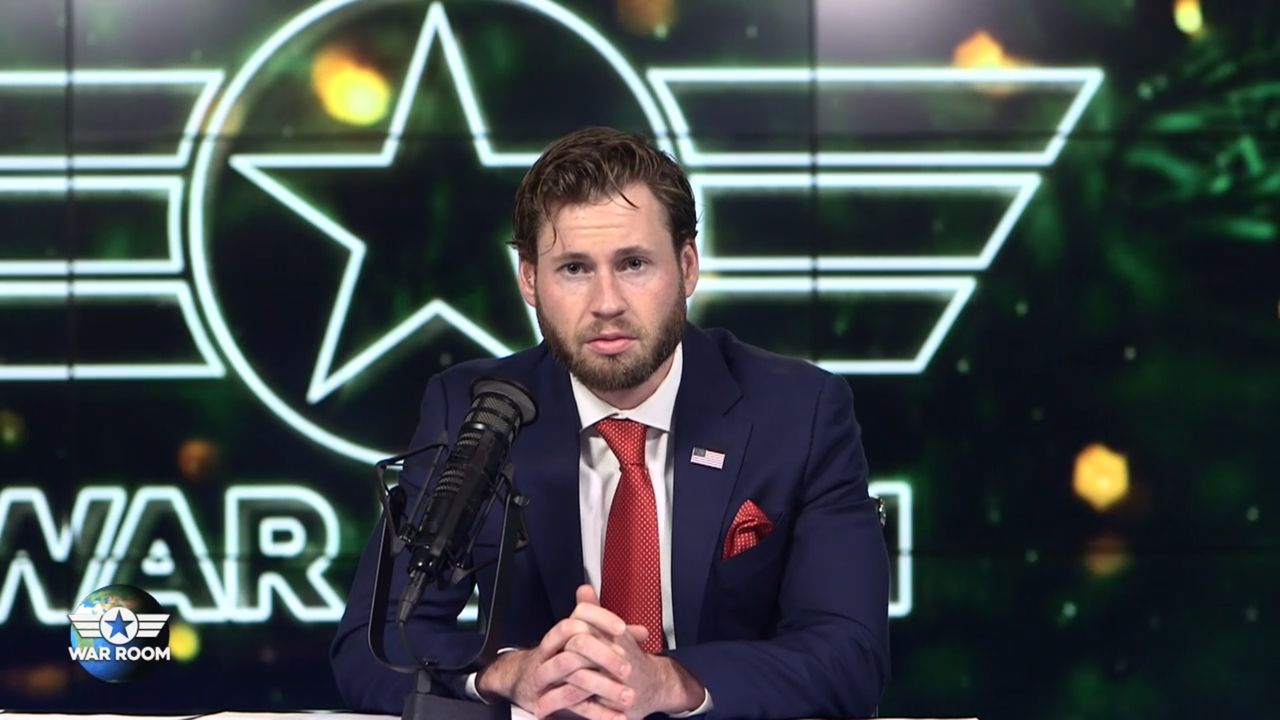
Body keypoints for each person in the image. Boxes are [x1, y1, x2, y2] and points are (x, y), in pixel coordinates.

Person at [331, 126, 890, 719]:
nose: (606, 303)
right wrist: (508, 674)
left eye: (634, 263)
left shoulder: (799, 412)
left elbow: (850, 655)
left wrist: (669, 682)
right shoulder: (477, 409)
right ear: (529, 280)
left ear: (688, 267)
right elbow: (372, 645)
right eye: (574, 268)